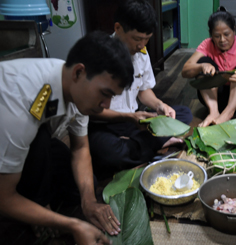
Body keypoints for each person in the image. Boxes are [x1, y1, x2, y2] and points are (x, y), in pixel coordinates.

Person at [0, 31, 134, 244]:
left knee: (78, 189)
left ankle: (38, 202)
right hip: (12, 138)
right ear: (79, 72)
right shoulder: (21, 104)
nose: (106, 106)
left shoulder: (74, 84)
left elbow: (80, 148)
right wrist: (70, 224)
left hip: (31, 140)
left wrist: (88, 201)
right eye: (105, 94)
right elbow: (3, 198)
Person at [88, 0, 192, 178]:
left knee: (182, 114)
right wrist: (130, 117)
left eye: (147, 39)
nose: (142, 45)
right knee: (109, 153)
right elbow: (89, 111)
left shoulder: (140, 53)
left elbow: (143, 91)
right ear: (118, 28)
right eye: (137, 39)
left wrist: (160, 105)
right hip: (105, 124)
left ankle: (137, 144)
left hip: (134, 121)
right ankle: (156, 143)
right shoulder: (96, 55)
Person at [181, 7, 236, 127]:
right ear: (211, 35)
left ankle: (228, 113)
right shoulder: (207, 44)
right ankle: (213, 113)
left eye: (226, 34)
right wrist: (202, 66)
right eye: (217, 36)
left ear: (234, 30)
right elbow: (185, 71)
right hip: (217, 100)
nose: (222, 40)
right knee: (203, 61)